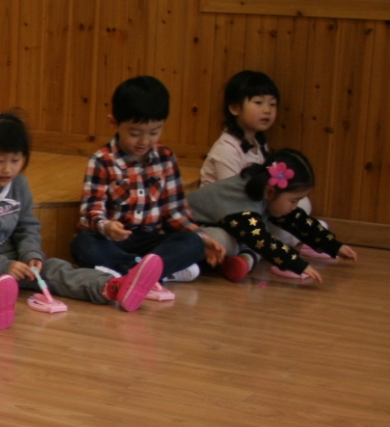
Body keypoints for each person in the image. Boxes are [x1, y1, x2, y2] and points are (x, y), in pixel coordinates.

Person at [0, 113, 162, 330]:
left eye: (15, 160)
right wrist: (1, 265)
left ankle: (112, 287)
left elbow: (27, 226)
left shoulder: (19, 185)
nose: (7, 169)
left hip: (11, 258)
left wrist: (31, 254)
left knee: (55, 268)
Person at [71, 76, 221, 293]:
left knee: (193, 242)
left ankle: (129, 273)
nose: (144, 141)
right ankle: (151, 273)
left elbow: (177, 212)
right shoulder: (102, 160)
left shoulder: (165, 158)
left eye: (154, 132)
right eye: (134, 133)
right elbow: (89, 213)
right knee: (83, 244)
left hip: (152, 241)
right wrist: (107, 226)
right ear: (114, 123)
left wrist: (202, 238)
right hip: (116, 242)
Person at [198, 69, 328, 255]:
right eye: (259, 103)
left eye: (272, 104)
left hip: (254, 210)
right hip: (225, 218)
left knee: (302, 203)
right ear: (234, 108)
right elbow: (232, 200)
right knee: (224, 240)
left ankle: (272, 244)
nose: (267, 110)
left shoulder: (259, 144)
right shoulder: (226, 148)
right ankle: (271, 245)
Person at [188, 150, 357, 283]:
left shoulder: (264, 192)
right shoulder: (241, 204)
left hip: (224, 226)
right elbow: (261, 239)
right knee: (226, 240)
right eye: (293, 201)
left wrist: (333, 245)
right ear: (269, 192)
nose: (294, 207)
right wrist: (298, 265)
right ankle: (212, 262)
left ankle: (232, 262)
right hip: (189, 232)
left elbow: (296, 220)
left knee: (254, 236)